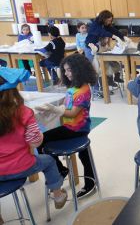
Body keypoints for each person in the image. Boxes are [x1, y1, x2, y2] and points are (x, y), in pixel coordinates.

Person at [0, 68, 67, 209]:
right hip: (20, 166)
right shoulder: (23, 112)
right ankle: (58, 195)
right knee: (49, 161)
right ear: (13, 91)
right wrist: (42, 128)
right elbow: (36, 142)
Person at [35, 53, 98, 199]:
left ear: (79, 70)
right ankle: (62, 170)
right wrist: (52, 111)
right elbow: (67, 104)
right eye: (65, 70)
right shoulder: (74, 87)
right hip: (70, 126)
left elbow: (72, 112)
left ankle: (61, 172)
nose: (67, 73)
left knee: (40, 140)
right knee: (83, 154)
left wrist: (55, 110)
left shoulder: (84, 90)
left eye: (70, 70)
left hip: (77, 129)